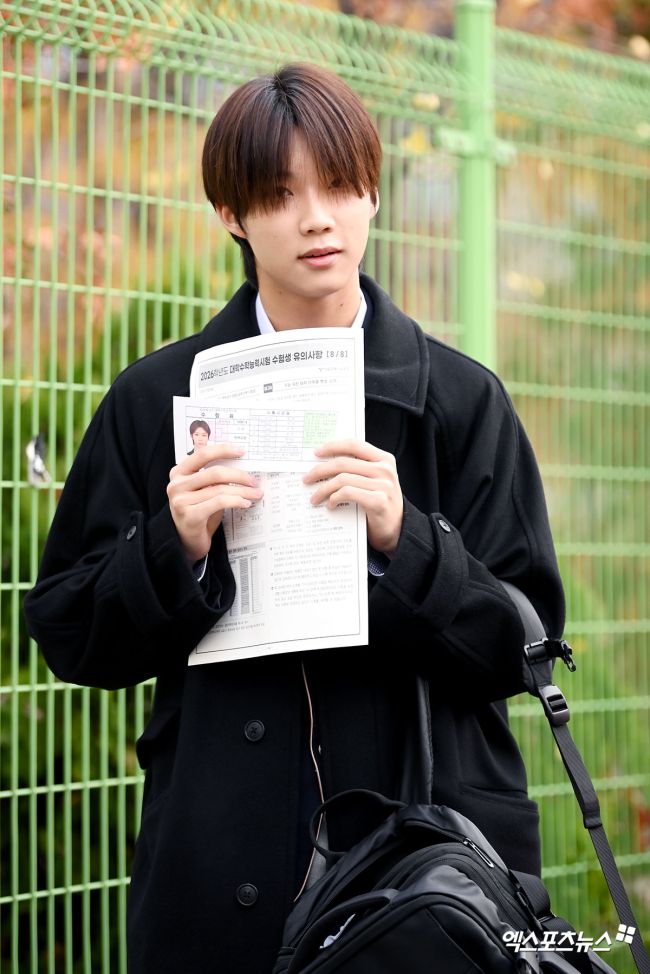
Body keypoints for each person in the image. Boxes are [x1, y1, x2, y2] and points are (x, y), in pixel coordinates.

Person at [24, 63, 565, 974]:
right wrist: (172, 547)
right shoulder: (157, 399)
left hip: (424, 885)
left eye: (341, 186)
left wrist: (408, 542)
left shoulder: (459, 400)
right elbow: (70, 633)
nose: (318, 219)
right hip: (217, 873)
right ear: (231, 215)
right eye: (279, 195)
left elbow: (527, 641)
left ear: (374, 194)